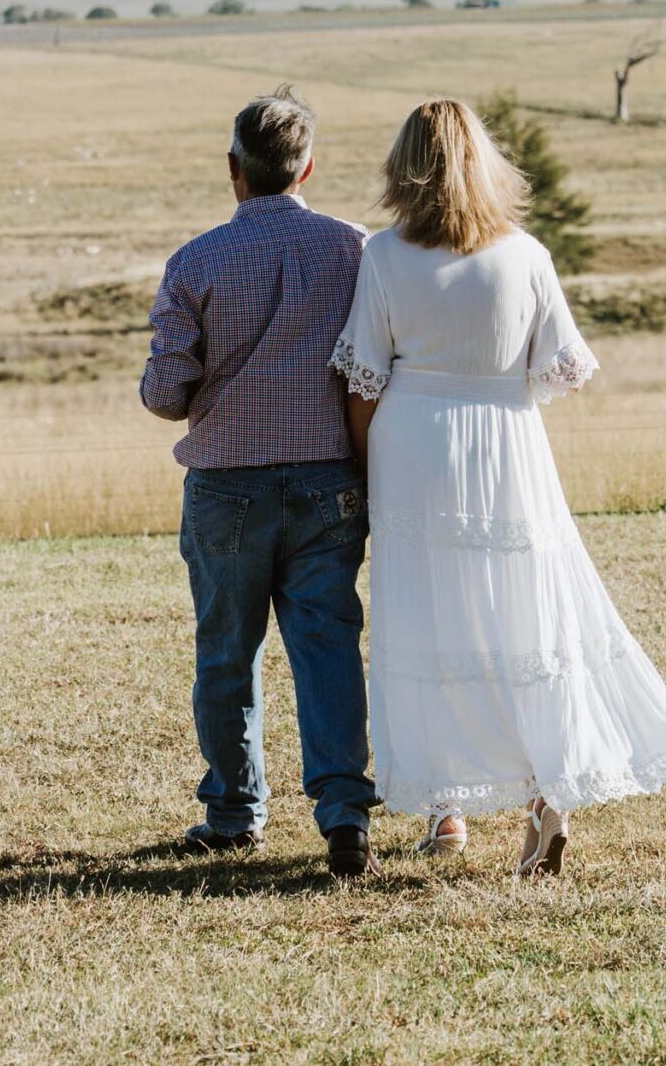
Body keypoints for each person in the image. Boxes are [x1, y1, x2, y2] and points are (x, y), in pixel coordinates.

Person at [330, 98, 666, 873]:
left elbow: (362, 380)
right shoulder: (526, 253)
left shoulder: (383, 255)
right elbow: (556, 369)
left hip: (413, 449)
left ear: (403, 167)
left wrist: (368, 471)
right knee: (527, 615)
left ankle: (449, 812)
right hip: (507, 444)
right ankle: (546, 792)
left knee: (432, 620)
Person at [141, 84, 383, 877]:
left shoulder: (195, 261)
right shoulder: (357, 250)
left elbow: (165, 396)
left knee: (226, 653)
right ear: (307, 167)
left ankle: (234, 811)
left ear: (234, 169)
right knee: (328, 648)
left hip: (226, 487)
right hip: (328, 479)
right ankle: (344, 813)